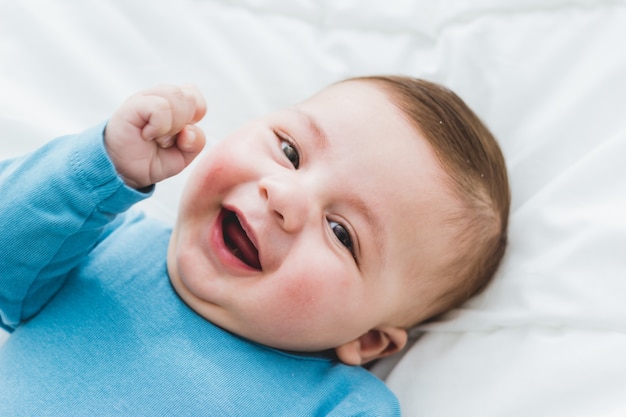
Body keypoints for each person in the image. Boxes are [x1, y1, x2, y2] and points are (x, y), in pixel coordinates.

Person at [0, 75, 510, 416]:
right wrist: (103, 164)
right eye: (289, 151)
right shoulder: (97, 247)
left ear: (370, 341)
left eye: (341, 233)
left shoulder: (339, 403)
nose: (284, 195)